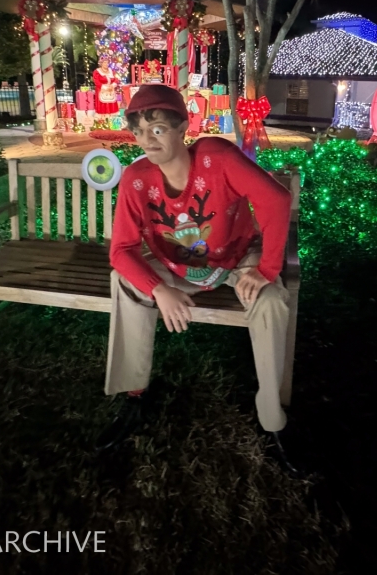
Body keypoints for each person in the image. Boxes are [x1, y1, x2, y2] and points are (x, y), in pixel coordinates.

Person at [97, 85, 301, 475]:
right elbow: (121, 251)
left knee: (271, 301)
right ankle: (135, 393)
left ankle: (273, 420)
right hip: (175, 269)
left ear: (183, 128)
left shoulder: (217, 157)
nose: (147, 140)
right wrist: (159, 290)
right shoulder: (136, 179)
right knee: (124, 282)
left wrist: (267, 269)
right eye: (139, 131)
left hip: (237, 260)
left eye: (157, 128)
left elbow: (276, 200)